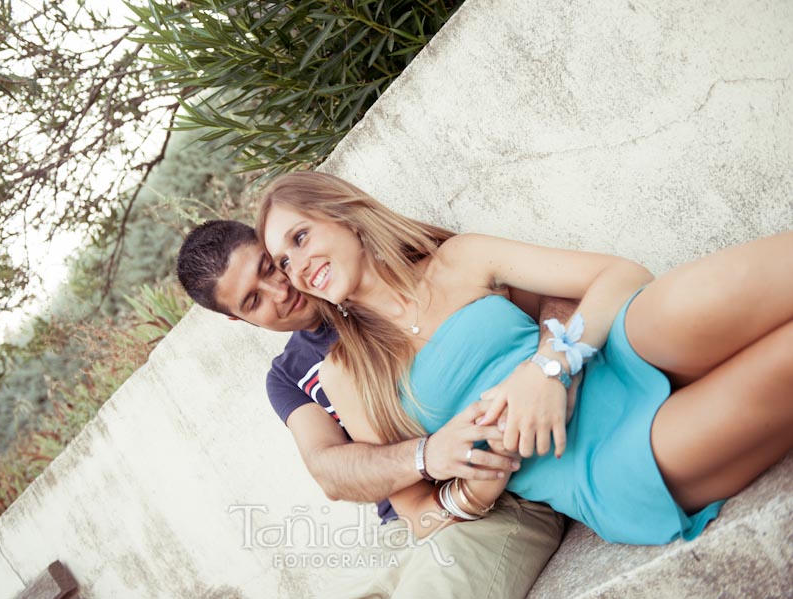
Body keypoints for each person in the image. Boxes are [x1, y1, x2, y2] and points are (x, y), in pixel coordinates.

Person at [257, 170, 793, 545]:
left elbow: (620, 275)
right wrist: (473, 489)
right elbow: (418, 516)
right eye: (284, 260)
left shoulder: (459, 258)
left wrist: (548, 370)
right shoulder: (348, 373)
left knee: (690, 298)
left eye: (301, 238)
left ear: (346, 217)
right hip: (596, 459)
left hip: (604, 357)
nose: (298, 267)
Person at [176, 220, 570, 598]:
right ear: (236, 318)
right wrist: (425, 455)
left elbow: (555, 290)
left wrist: (547, 365)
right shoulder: (288, 376)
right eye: (253, 300)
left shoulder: (387, 277)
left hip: (496, 494)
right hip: (400, 528)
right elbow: (329, 470)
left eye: (269, 267)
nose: (279, 292)